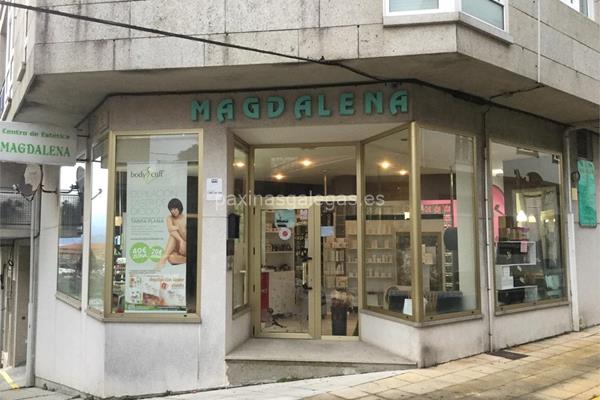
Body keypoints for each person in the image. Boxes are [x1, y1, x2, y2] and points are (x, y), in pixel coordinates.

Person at [157, 198, 187, 268]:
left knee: (173, 235)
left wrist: (183, 243)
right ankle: (165, 257)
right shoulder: (169, 218)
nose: (173, 211)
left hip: (184, 247)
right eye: (171, 209)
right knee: (170, 258)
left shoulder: (185, 218)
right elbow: (170, 229)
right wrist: (181, 240)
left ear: (179, 207)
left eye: (175, 208)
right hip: (177, 246)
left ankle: (163, 257)